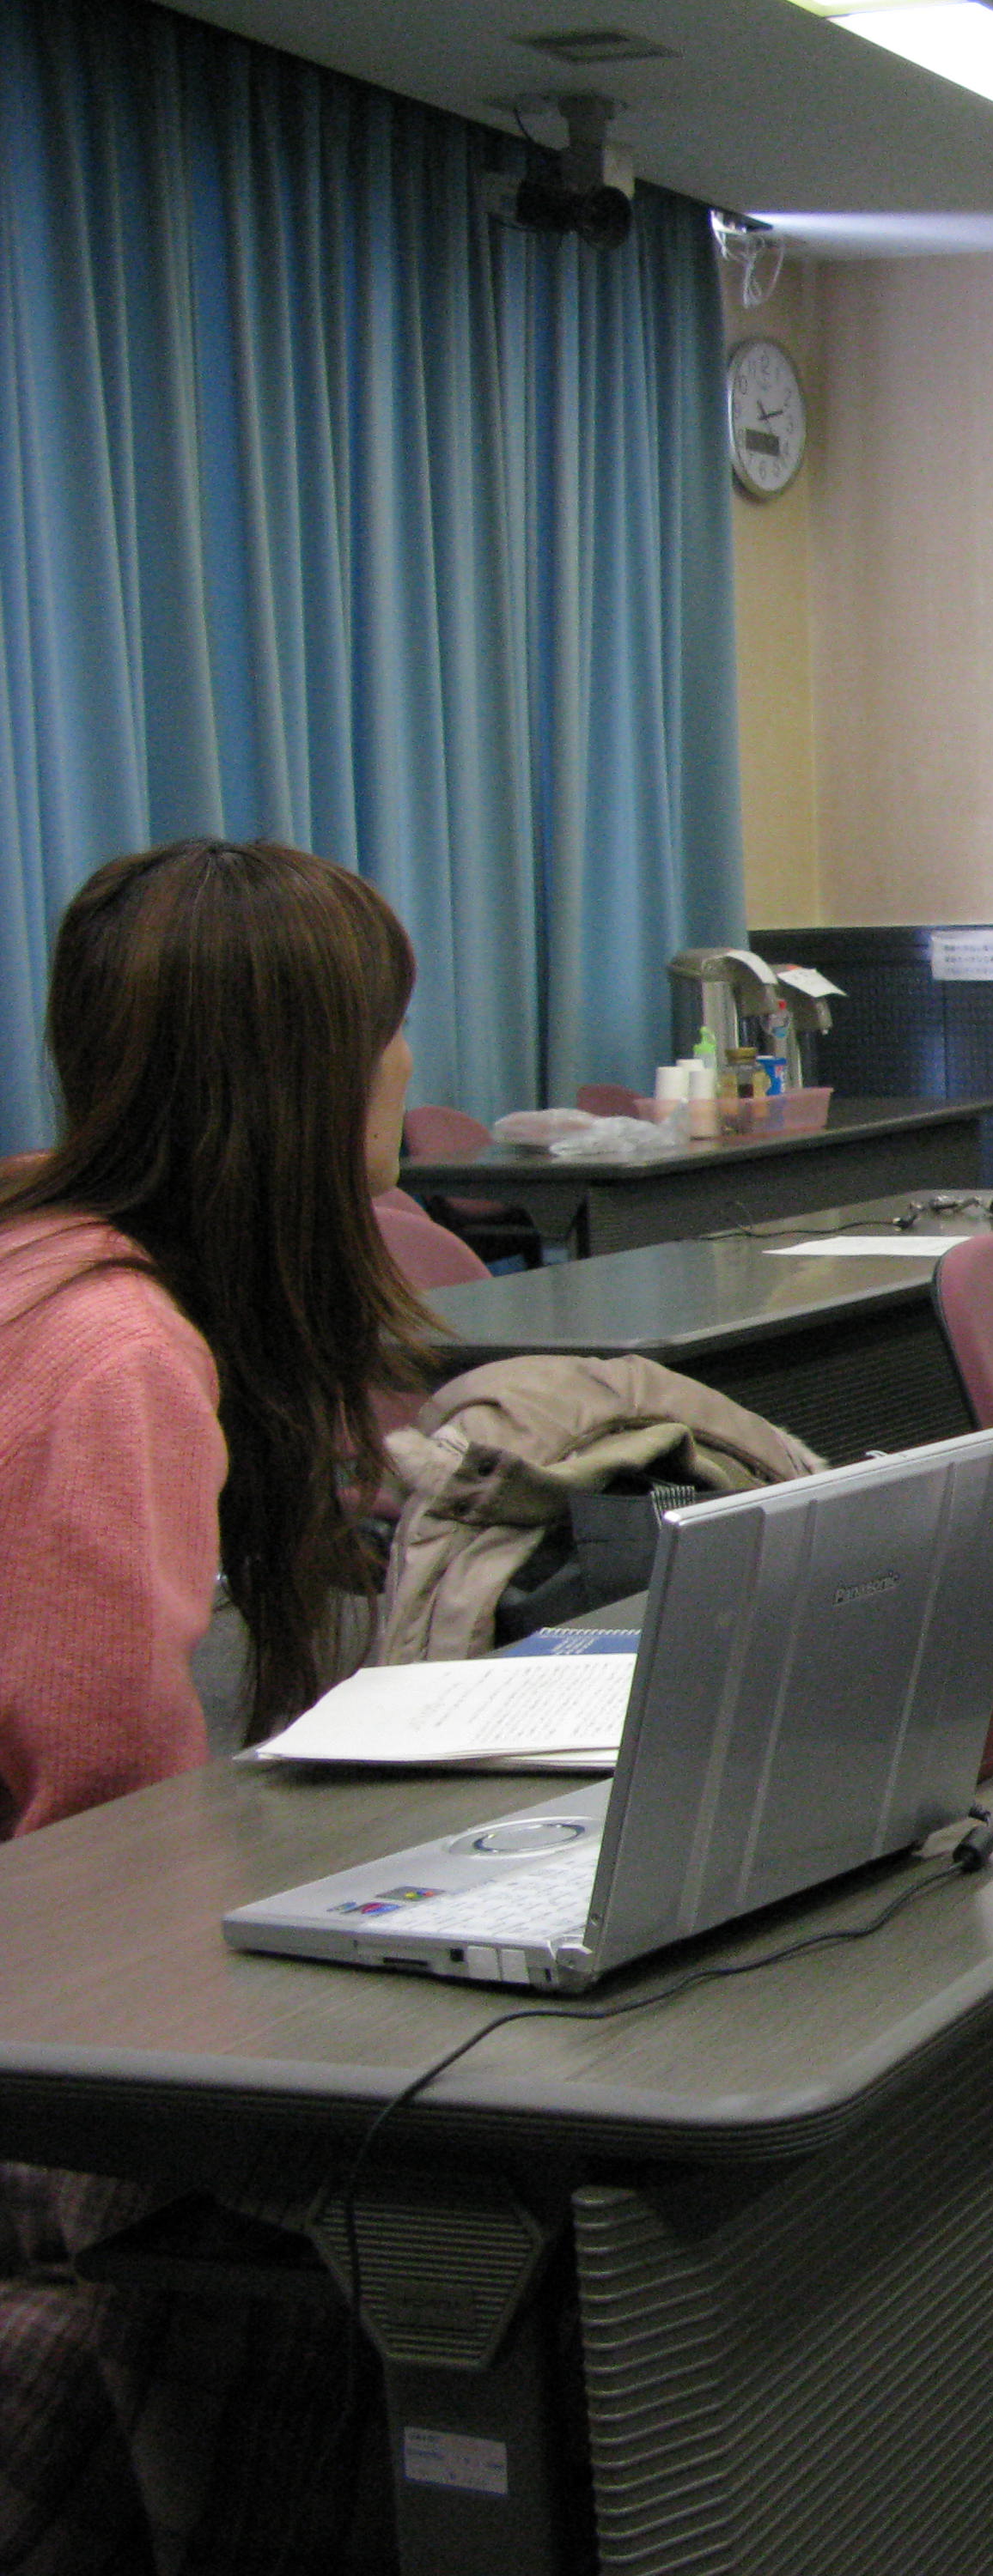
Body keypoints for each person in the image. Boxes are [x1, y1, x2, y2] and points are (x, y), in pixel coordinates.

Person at [0, 836, 429, 2573]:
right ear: (306, 1077)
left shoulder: (63, 1262)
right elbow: (105, 1840)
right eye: (388, 1029)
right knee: (426, 2201)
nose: (411, 1063)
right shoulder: (114, 1354)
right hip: (58, 2052)